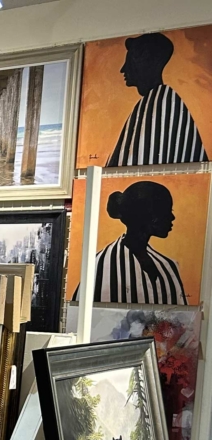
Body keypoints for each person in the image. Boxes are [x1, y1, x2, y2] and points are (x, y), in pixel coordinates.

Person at [76, 181, 187, 304]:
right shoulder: (102, 265)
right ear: (147, 215)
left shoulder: (168, 266)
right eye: (165, 211)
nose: (172, 217)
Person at [108, 32, 208, 167]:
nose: (123, 69)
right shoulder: (157, 100)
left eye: (129, 61)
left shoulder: (160, 102)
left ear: (142, 62)